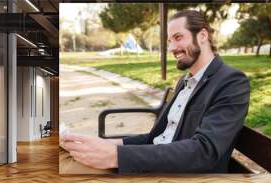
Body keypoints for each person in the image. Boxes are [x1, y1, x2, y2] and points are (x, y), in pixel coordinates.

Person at [60, 10, 250, 173]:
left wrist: (116, 156)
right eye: (169, 41)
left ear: (202, 36)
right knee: (66, 154)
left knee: (65, 167)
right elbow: (156, 138)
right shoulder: (185, 81)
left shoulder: (231, 82)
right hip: (154, 163)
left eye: (178, 38)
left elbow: (204, 151)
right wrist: (110, 145)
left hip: (183, 178)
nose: (172, 48)